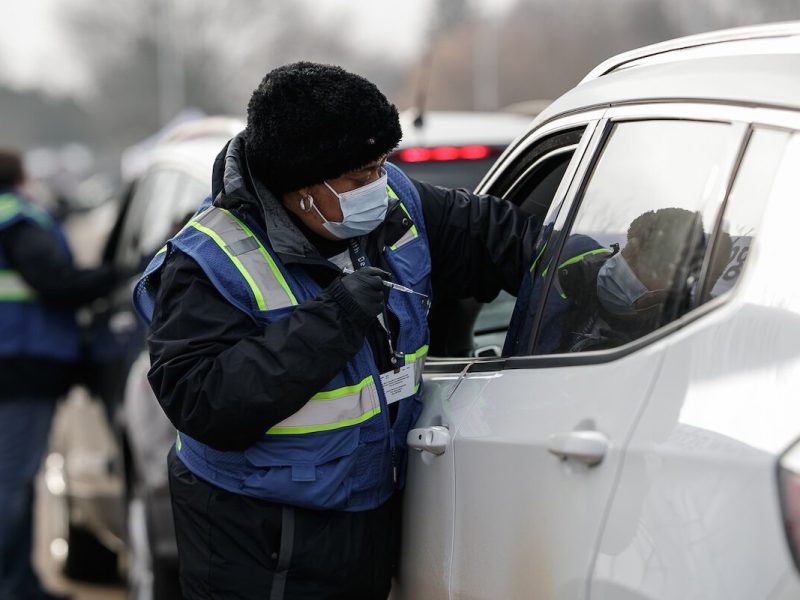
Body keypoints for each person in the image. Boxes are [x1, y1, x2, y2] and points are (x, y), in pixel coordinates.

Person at [133, 62, 540, 600]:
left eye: (380, 167)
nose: (379, 184)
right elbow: (204, 402)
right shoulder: (209, 261)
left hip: (363, 516)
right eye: (359, 178)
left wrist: (606, 273)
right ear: (302, 189)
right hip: (259, 541)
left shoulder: (394, 203)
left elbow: (500, 239)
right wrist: (335, 318)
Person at [0, 149, 126, 600]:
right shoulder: (16, 217)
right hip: (19, 367)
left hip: (15, 364)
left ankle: (22, 585)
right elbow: (55, 283)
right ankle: (12, 586)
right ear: (22, 176)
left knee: (14, 480)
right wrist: (122, 272)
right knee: (11, 483)